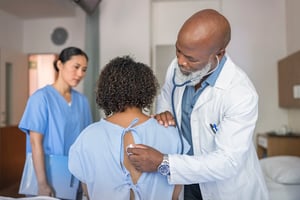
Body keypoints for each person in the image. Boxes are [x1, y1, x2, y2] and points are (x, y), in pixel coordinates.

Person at [127, 9, 269, 200]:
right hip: (185, 183)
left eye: (191, 59)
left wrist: (164, 163)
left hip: (223, 189)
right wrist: (164, 112)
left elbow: (227, 161)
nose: (181, 62)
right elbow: (166, 94)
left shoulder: (240, 93)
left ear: (218, 54)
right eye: (178, 50)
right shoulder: (176, 66)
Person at [68, 55, 189, 200]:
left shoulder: (87, 138)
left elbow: (88, 192)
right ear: (147, 90)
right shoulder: (171, 134)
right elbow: (175, 194)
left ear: (105, 91)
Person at [19, 46, 92, 197]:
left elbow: (86, 145)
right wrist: (42, 183)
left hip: (74, 177)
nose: (80, 74)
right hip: (47, 175)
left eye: (84, 69)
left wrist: (86, 183)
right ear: (60, 64)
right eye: (76, 67)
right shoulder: (41, 98)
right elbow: (35, 143)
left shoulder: (82, 101)